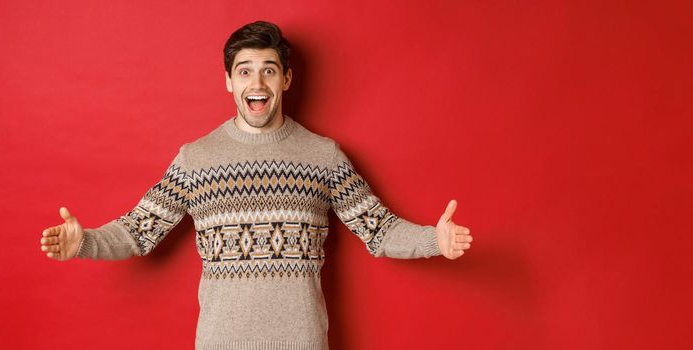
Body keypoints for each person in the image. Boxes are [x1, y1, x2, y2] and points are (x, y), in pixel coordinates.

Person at [39, 20, 473, 350]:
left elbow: (379, 232)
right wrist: (86, 242)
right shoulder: (197, 158)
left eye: (268, 70)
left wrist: (435, 238)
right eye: (244, 71)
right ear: (229, 82)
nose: (257, 82)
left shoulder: (323, 156)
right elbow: (138, 231)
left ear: (286, 79)